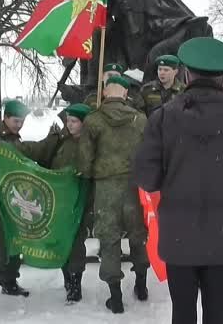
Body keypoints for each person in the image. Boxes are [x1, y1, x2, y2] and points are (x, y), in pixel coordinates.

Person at [134, 37, 223, 324]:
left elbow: (147, 178)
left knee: (182, 313)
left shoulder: (163, 116)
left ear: (186, 74)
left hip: (178, 234)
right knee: (217, 313)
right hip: (220, 234)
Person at [0, 100, 60, 310]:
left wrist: (53, 139)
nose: (19, 125)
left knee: (16, 239)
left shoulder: (14, 139)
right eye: (16, 121)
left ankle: (9, 281)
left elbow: (30, 155)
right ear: (5, 117)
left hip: (13, 201)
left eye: (22, 121)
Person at [78, 76, 149, 314]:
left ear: (106, 93)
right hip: (134, 187)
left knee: (109, 240)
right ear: (126, 94)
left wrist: (89, 175)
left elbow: (84, 161)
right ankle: (141, 284)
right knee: (138, 236)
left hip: (106, 188)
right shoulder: (140, 120)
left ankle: (115, 297)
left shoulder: (93, 120)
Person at [49, 103, 93, 304]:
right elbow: (40, 151)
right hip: (61, 201)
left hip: (80, 201)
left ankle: (76, 282)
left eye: (74, 121)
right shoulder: (62, 141)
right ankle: (67, 277)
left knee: (75, 243)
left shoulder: (89, 144)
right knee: (63, 241)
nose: (70, 124)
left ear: (83, 123)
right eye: (68, 121)